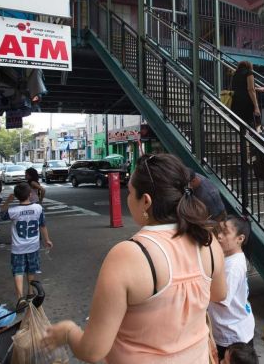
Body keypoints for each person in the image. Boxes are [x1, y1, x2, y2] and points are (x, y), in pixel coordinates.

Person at [43, 153, 227, 363]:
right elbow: (218, 294)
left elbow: (92, 351)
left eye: (130, 192)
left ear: (146, 201)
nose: (127, 198)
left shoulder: (129, 255)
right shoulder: (207, 242)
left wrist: (68, 331)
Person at [209, 216, 255, 360]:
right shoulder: (231, 258)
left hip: (232, 334)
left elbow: (220, 297)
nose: (220, 236)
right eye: (219, 231)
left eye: (225, 232)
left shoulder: (233, 267)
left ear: (240, 239)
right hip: (237, 328)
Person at [1, 183, 53, 301]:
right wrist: (47, 240)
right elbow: (43, 225)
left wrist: (8, 201)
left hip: (18, 247)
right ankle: (30, 291)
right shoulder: (38, 208)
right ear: (30, 194)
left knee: (18, 271)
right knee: (31, 269)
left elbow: (0, 213)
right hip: (33, 246)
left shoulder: (13, 211)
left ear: (16, 196)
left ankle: (20, 297)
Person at [230, 61, 263, 128]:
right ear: (249, 66)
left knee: (242, 125)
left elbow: (241, 87)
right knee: (250, 124)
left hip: (236, 101)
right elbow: (250, 89)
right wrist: (256, 106)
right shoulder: (249, 73)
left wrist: (256, 88)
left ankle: (244, 137)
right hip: (246, 102)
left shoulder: (235, 74)